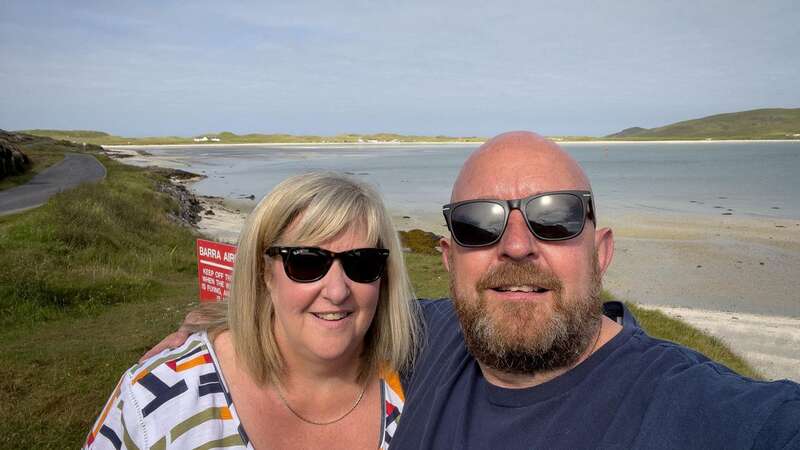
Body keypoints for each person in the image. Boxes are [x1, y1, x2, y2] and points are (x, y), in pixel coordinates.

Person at [151, 132, 800, 449]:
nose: (517, 245)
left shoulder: (692, 411)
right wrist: (215, 320)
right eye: (479, 224)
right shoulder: (425, 339)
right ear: (450, 258)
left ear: (600, 253)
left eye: (555, 216)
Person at [85, 173, 420, 449]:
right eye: (305, 263)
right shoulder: (157, 401)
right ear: (264, 274)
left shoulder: (418, 386)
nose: (336, 291)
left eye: (361, 264)